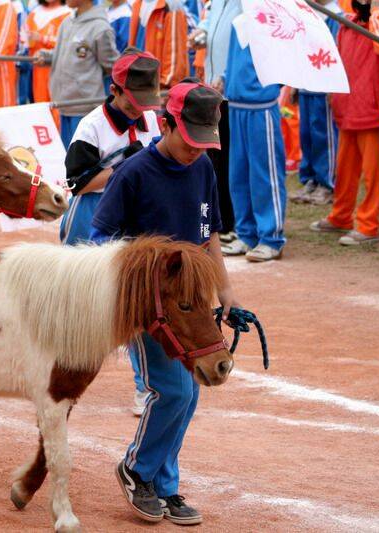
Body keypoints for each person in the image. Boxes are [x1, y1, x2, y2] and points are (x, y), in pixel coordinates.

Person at [91, 82, 238, 526]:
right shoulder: (133, 173)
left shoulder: (203, 169)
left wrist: (226, 290)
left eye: (204, 143)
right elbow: (100, 238)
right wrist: (144, 271)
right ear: (166, 123)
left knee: (190, 390)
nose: (197, 151)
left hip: (191, 301)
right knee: (171, 390)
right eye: (189, 140)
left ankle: (164, 485)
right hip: (150, 307)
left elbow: (208, 234)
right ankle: (136, 470)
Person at [310, 0, 379, 245]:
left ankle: (369, 225)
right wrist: (332, 90)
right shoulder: (347, 23)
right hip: (347, 107)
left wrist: (375, 11)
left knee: (373, 175)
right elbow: (337, 60)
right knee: (344, 171)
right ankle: (340, 217)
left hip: (372, 111)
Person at [60, 49, 162, 246]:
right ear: (114, 90)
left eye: (144, 103)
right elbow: (76, 185)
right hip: (94, 208)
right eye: (131, 104)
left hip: (137, 207)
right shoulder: (91, 127)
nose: (138, 110)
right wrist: (124, 167)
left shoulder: (149, 116)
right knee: (82, 272)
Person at [218, 22, 286, 262]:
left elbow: (286, 62)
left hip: (261, 107)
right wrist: (225, 78)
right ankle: (246, 233)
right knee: (238, 173)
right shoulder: (239, 23)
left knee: (265, 173)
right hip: (235, 105)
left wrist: (266, 88)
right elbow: (232, 59)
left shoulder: (273, 24)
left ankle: (271, 237)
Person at [187, 0, 239, 248]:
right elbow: (209, 23)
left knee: (230, 161)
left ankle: (234, 223)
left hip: (234, 92)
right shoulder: (216, 2)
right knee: (216, 159)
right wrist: (201, 33)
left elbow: (245, 43)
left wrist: (227, 75)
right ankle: (223, 223)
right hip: (214, 92)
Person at [37, 0, 119, 147]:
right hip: (64, 104)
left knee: (82, 160)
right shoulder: (67, 23)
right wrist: (46, 56)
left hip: (84, 107)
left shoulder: (100, 28)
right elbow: (61, 53)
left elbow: (113, 66)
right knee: (66, 156)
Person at [289, 0, 342, 206]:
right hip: (306, 84)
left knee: (324, 136)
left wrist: (333, 85)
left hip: (323, 86)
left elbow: (338, 54)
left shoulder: (336, 18)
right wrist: (295, 82)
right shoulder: (307, 15)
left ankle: (327, 183)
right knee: (307, 135)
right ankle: (310, 178)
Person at [128, 0, 190, 89]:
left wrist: (161, 87)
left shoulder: (171, 5)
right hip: (141, 85)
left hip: (160, 90)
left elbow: (175, 63)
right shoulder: (137, 5)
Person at [25, 0, 73, 102]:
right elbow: (24, 38)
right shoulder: (34, 13)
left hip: (58, 68)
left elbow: (69, 42)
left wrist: (43, 38)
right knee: (39, 104)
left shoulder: (68, 13)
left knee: (56, 104)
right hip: (36, 67)